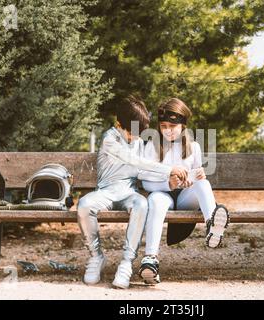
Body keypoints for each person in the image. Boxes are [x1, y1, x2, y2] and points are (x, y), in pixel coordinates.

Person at [77, 95, 187, 289]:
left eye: (139, 133)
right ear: (119, 123)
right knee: (84, 204)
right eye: (132, 132)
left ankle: (126, 263)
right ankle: (96, 257)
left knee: (141, 203)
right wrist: (168, 170)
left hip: (129, 192)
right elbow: (133, 161)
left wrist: (168, 179)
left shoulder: (137, 141)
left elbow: (143, 170)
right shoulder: (109, 139)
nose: (136, 138)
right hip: (106, 192)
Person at [139, 98, 230, 285]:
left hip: (184, 198)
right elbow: (145, 182)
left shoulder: (193, 147)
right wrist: (168, 183)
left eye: (173, 125)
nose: (168, 130)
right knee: (155, 201)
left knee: (204, 184)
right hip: (162, 194)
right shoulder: (152, 147)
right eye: (163, 125)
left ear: (183, 126)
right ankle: (150, 259)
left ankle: (212, 226)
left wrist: (198, 175)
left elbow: (197, 177)